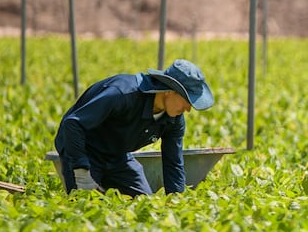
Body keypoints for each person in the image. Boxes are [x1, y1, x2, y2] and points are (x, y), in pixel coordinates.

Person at [54, 59, 214, 195]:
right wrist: (81, 171)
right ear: (168, 91)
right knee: (86, 205)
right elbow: (73, 123)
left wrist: (176, 200)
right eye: (186, 100)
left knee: (145, 205)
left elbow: (173, 162)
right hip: (84, 150)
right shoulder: (123, 94)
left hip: (118, 156)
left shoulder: (174, 119)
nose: (188, 109)